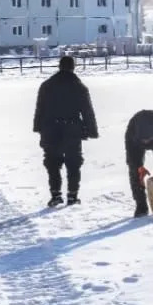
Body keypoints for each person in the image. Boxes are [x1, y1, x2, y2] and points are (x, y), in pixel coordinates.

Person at [33, 55, 99, 207]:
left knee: (52, 163)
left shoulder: (47, 85)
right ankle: (72, 195)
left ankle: (56, 195)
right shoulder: (79, 87)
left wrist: (37, 127)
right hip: (72, 129)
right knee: (73, 163)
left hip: (50, 129)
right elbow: (87, 110)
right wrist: (92, 131)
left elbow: (40, 109)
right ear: (73, 67)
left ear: (59, 66)